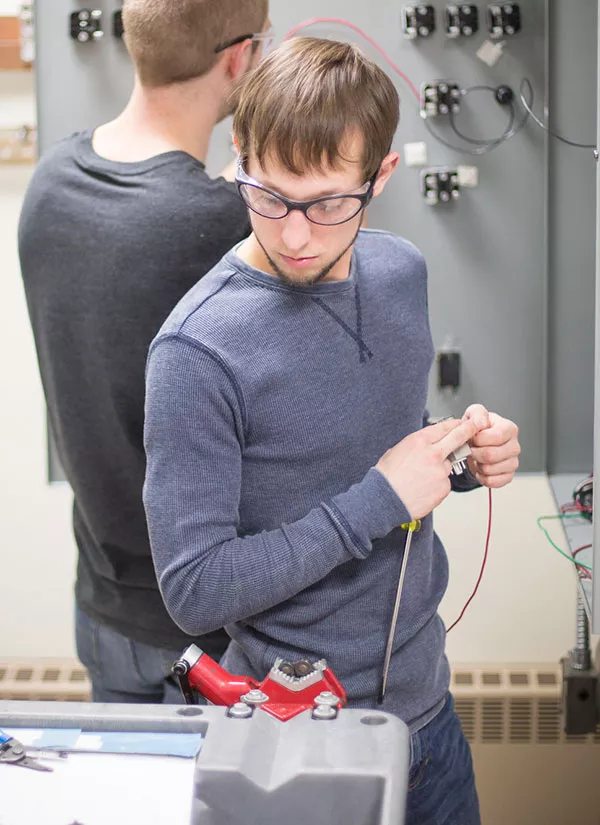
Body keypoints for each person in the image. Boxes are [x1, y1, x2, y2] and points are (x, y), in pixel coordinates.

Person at [143, 37, 520, 823]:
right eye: (269, 195)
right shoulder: (196, 350)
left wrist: (459, 459)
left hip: (428, 720)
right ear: (240, 155)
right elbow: (194, 587)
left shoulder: (401, 272)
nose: (295, 235)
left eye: (327, 203)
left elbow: (384, 445)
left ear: (380, 176)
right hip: (293, 745)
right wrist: (378, 499)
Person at [18, 0, 270, 704]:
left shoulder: (50, 183)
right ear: (238, 58)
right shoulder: (224, 225)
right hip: (214, 628)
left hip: (105, 611)